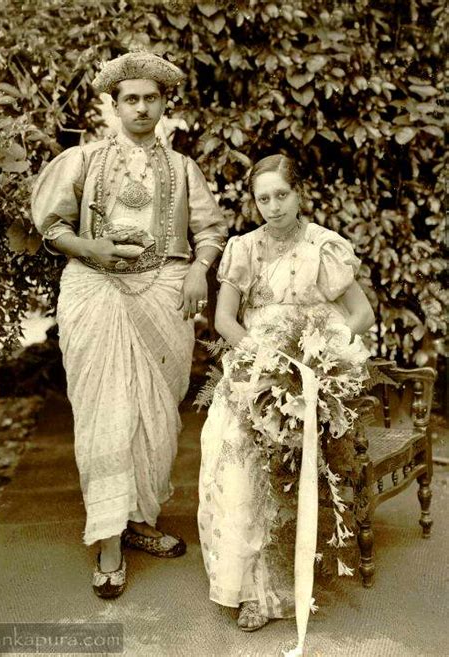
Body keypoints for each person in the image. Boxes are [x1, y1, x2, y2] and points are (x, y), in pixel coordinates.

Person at [31, 47, 227, 599]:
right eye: (130, 99)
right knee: (104, 414)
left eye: (151, 98)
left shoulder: (184, 169)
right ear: (114, 106)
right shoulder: (84, 160)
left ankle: (140, 520)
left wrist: (199, 272)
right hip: (94, 291)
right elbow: (50, 226)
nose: (141, 108)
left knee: (157, 416)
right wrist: (90, 247)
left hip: (165, 292)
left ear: (164, 104)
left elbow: (210, 230)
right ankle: (109, 540)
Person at [198, 154, 375, 633]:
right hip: (257, 366)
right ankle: (250, 587)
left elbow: (361, 315)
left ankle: (291, 570)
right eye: (263, 198)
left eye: (282, 195)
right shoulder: (244, 249)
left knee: (288, 456)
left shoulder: (323, 247)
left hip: (311, 369)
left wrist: (321, 359)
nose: (273, 207)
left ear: (300, 194)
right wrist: (264, 360)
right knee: (234, 451)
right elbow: (224, 321)